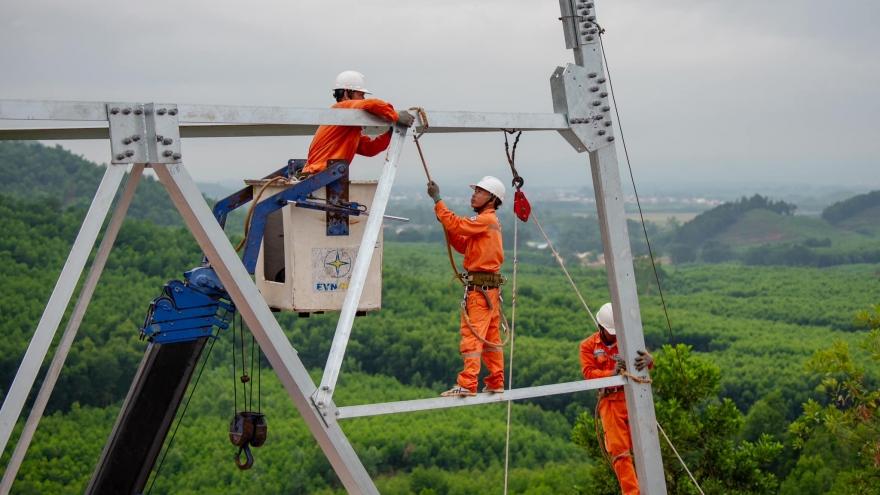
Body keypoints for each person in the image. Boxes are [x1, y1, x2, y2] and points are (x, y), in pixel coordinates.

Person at [427, 176, 507, 397]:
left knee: (472, 335)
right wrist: (446, 223)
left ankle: (468, 383)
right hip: (488, 290)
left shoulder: (486, 219)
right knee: (491, 338)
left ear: (492, 199)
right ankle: (496, 380)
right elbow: (463, 244)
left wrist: (438, 201)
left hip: (481, 292)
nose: (474, 194)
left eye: (480, 191)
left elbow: (458, 223)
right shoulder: (488, 222)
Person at [580, 302, 654, 495]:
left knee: (645, 446)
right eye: (611, 332)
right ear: (600, 327)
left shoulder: (628, 340)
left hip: (632, 399)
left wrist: (650, 361)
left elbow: (642, 363)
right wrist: (611, 374)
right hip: (610, 402)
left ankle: (653, 487)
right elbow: (589, 373)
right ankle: (632, 493)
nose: (614, 335)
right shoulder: (588, 346)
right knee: (620, 452)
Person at [302, 70, 415, 175]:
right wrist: (396, 116)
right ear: (347, 95)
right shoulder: (342, 108)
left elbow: (368, 148)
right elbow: (372, 104)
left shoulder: (346, 128)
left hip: (320, 175)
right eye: (361, 95)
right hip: (318, 174)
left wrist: (390, 133)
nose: (363, 99)